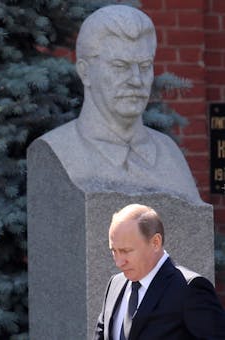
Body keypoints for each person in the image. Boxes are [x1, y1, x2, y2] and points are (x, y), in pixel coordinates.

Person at [40, 4, 202, 204]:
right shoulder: (56, 151)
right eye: (120, 66)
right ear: (85, 72)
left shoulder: (169, 154)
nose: (136, 80)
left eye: (144, 66)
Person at [93, 204, 225, 339]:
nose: (119, 262)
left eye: (126, 251)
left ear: (155, 242)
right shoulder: (115, 284)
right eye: (114, 251)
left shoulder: (189, 289)